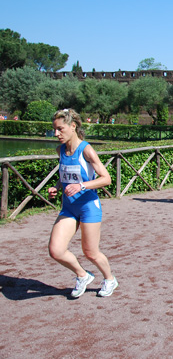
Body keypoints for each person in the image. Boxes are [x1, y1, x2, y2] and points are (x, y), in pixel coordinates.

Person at [47, 108, 118, 298]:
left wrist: (81, 186)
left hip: (88, 206)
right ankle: (82, 275)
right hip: (69, 207)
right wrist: (57, 187)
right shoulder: (60, 150)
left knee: (90, 252)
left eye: (60, 129)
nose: (56, 134)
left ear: (73, 126)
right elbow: (65, 175)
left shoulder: (86, 149)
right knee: (56, 250)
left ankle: (110, 279)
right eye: (54, 130)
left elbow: (106, 179)